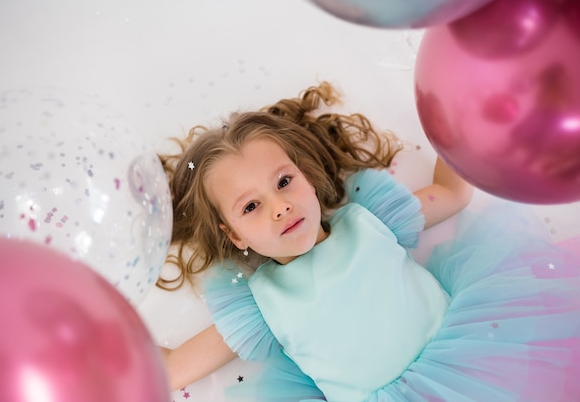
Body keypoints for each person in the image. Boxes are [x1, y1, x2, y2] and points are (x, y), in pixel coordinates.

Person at [157, 82, 580, 402]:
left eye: (284, 182)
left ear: (305, 176)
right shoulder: (257, 303)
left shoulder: (371, 220)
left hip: (472, 358)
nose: (280, 208)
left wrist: (471, 123)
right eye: (251, 207)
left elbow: (451, 193)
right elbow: (173, 369)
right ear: (234, 235)